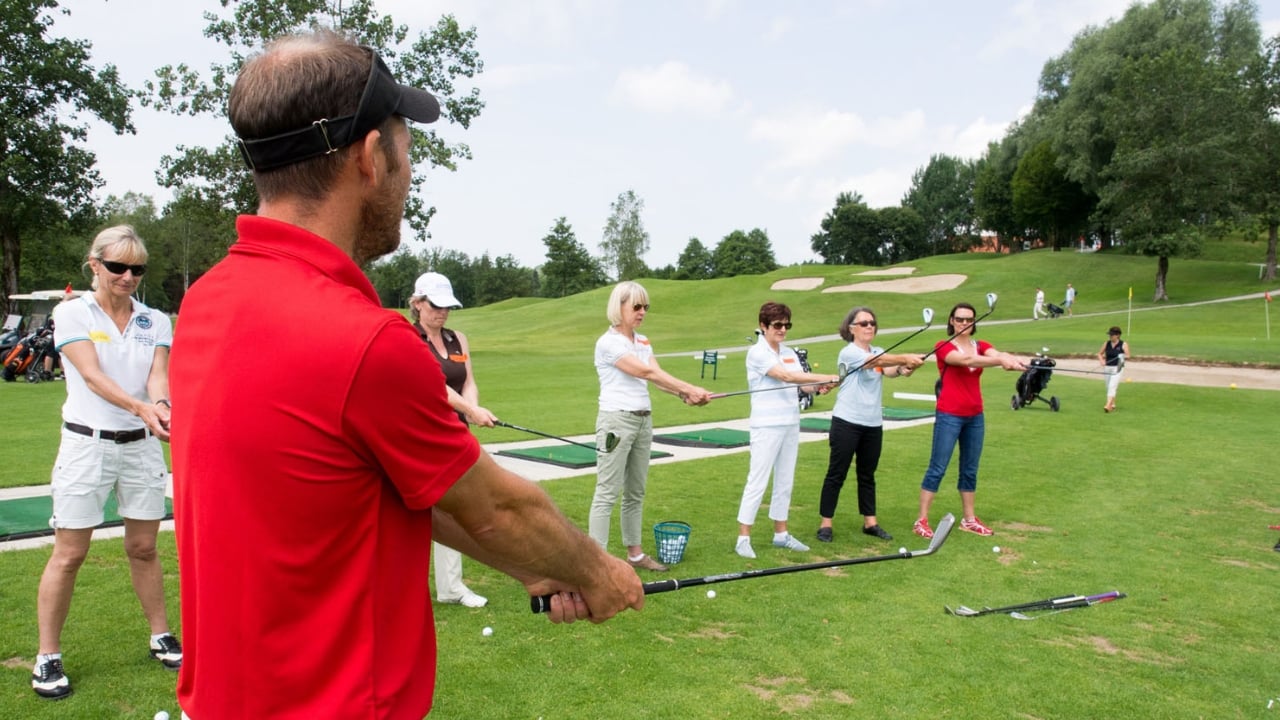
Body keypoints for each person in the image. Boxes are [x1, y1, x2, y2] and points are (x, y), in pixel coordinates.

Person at [169, 30, 643, 719]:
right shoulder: (365, 342)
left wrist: (537, 569)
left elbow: (400, 492)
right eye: (405, 148)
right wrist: (600, 573)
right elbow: (495, 505)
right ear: (370, 157)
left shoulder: (207, 301)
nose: (408, 170)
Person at [32, 226, 180, 700]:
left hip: (140, 446)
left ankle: (160, 635)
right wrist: (141, 407)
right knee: (70, 553)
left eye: (137, 268)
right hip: (85, 444)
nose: (128, 276)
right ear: (94, 264)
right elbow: (92, 376)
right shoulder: (71, 311)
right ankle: (47, 657)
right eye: (117, 267)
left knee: (143, 548)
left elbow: (158, 377)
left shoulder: (154, 319)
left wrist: (162, 407)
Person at [591, 281, 712, 572]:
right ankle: (597, 562)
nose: (642, 311)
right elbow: (642, 370)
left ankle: (634, 554)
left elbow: (655, 376)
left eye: (646, 306)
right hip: (617, 421)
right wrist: (688, 386)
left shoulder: (642, 341)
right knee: (607, 492)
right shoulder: (608, 343)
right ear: (618, 307)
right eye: (636, 306)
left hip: (644, 420)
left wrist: (684, 394)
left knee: (636, 492)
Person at [410, 271, 498, 609]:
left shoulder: (457, 338)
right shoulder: (407, 337)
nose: (442, 312)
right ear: (417, 303)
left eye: (447, 306)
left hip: (454, 434)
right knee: (416, 514)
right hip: (420, 433)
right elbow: (432, 384)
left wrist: (472, 409)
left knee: (452, 510)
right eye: (435, 305)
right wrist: (469, 411)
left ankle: (451, 587)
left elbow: (467, 381)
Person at [735, 302, 841, 559]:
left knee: (785, 480)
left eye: (786, 325)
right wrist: (823, 376)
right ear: (763, 326)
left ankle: (781, 534)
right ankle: (743, 538)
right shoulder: (756, 353)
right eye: (777, 325)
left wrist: (819, 387)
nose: (782, 329)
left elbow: (801, 386)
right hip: (766, 424)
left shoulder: (790, 352)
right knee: (757, 480)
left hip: (790, 421)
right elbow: (786, 377)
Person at [913, 303, 1027, 540]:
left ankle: (969, 519)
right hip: (949, 415)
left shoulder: (982, 345)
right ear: (952, 321)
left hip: (975, 415)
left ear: (974, 322)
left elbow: (994, 353)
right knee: (938, 467)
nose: (964, 323)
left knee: (970, 469)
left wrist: (1009, 359)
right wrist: (999, 362)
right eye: (960, 319)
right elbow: (966, 361)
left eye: (969, 320)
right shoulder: (943, 347)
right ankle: (921, 520)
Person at [816, 307, 924, 544]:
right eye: (863, 323)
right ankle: (826, 524)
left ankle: (870, 522)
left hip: (872, 422)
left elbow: (891, 370)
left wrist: (907, 367)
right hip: (846, 420)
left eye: (872, 323)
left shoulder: (879, 351)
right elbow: (874, 362)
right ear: (851, 328)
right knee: (837, 473)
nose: (869, 327)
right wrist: (904, 357)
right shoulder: (849, 352)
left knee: (867, 474)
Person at [1098, 326, 1130, 413]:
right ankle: (1113, 404)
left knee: (1112, 385)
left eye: (1112, 335)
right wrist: (1102, 361)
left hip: (1118, 367)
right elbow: (1100, 354)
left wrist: (1122, 356)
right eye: (1110, 335)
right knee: (1108, 386)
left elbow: (1128, 355)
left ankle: (1108, 405)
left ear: (1118, 335)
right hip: (1107, 367)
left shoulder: (1123, 344)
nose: (1110, 337)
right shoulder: (1106, 343)